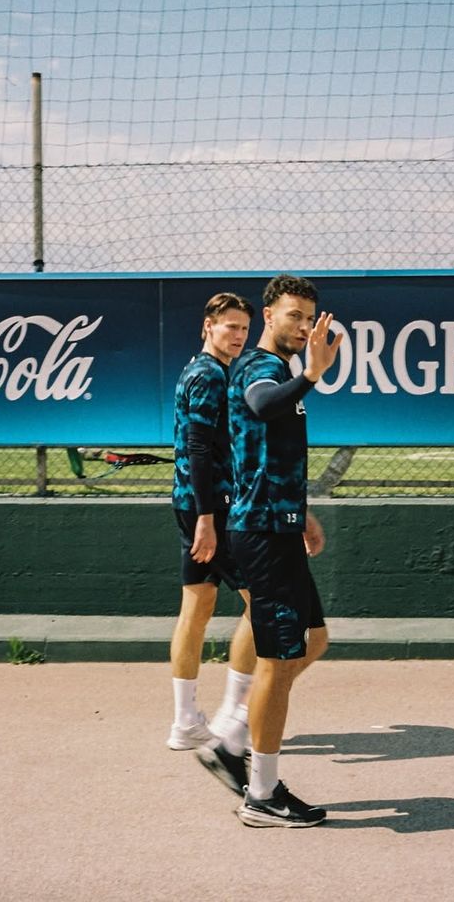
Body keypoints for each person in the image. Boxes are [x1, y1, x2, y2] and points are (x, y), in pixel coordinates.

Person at [198, 273, 342, 828]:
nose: (303, 326)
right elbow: (261, 406)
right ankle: (262, 795)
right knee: (277, 662)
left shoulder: (281, 370)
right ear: (268, 316)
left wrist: (300, 511)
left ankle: (231, 737)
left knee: (315, 640)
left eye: (309, 318)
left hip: (279, 524)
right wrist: (311, 373)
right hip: (260, 533)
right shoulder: (261, 367)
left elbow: (264, 450)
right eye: (293, 316)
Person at [168, 292, 257, 784]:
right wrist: (207, 516)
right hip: (212, 510)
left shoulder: (199, 370)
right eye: (230, 326)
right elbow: (199, 448)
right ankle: (230, 720)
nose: (238, 335)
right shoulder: (209, 375)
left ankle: (186, 722)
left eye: (244, 328)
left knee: (197, 607)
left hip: (194, 504)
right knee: (262, 602)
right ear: (208, 326)